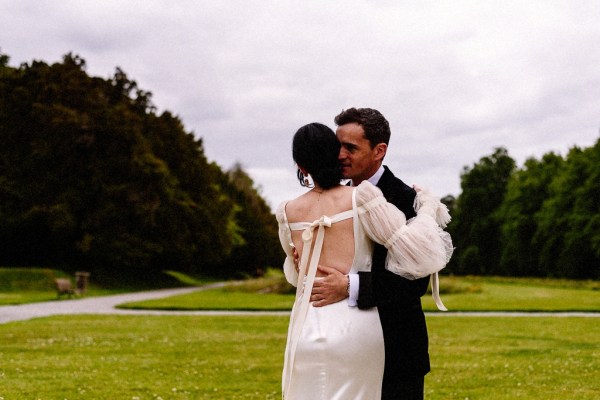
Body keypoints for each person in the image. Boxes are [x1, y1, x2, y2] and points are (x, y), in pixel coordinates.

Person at [276, 122, 452, 399]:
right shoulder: (360, 196)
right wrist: (429, 212)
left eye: (350, 147)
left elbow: (416, 277)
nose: (343, 154)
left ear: (379, 151)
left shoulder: (288, 210)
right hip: (356, 332)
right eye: (339, 146)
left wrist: (350, 285)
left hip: (385, 344)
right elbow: (420, 250)